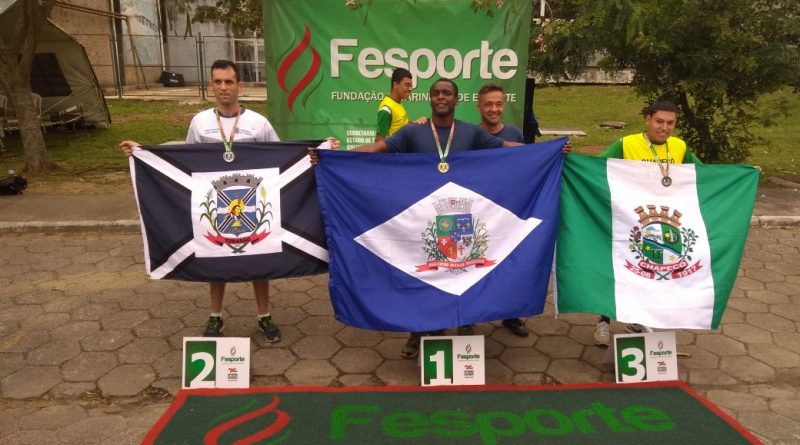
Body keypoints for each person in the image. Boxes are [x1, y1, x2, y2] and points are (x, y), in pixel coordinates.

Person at [312, 78, 569, 358]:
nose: (441, 97)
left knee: (460, 275)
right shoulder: (413, 133)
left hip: (461, 221)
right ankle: (417, 332)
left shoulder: (471, 134)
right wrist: (331, 157)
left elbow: (507, 147)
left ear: (456, 100)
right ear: (430, 99)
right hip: (422, 221)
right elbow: (376, 151)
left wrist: (553, 150)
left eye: (447, 93)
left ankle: (460, 328)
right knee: (422, 277)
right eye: (436, 93)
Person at [119, 59, 282, 343]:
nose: (223, 88)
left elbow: (282, 157)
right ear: (211, 86)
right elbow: (185, 160)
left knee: (259, 258)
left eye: (228, 82)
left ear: (239, 86)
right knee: (214, 256)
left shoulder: (259, 123)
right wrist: (143, 151)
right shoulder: (201, 122)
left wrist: (319, 151)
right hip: (215, 204)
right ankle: (216, 317)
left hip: (251, 203)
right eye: (217, 82)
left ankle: (264, 316)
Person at [592, 100, 702, 346]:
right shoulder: (627, 143)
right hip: (628, 219)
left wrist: (739, 175)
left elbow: (702, 175)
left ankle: (638, 320)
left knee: (649, 271)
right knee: (619, 268)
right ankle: (603, 321)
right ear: (648, 120)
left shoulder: (680, 147)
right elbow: (595, 167)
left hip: (662, 222)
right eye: (659, 121)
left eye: (670, 123)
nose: (665, 128)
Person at [475, 83, 529, 337]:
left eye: (498, 104)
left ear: (504, 105)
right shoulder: (469, 135)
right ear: (479, 106)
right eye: (488, 104)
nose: (494, 109)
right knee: (473, 263)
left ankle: (510, 314)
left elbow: (532, 160)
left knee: (508, 263)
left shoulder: (515, 133)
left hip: (507, 211)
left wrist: (557, 151)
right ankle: (469, 316)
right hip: (476, 211)